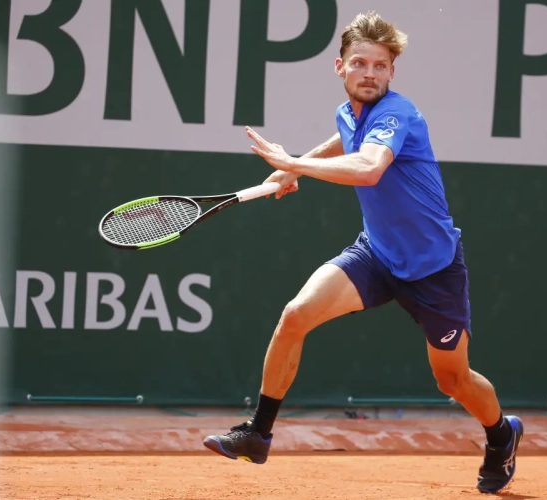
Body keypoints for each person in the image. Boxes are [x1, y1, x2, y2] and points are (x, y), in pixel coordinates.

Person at [203, 11, 523, 494]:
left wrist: (292, 161)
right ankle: (259, 432)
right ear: (340, 68)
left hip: (433, 270)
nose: (369, 73)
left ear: (392, 72)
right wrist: (300, 169)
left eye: (379, 65)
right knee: (295, 315)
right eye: (359, 63)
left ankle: (501, 434)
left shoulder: (399, 111)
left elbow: (371, 165)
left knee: (453, 381)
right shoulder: (349, 111)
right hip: (375, 254)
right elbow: (345, 138)